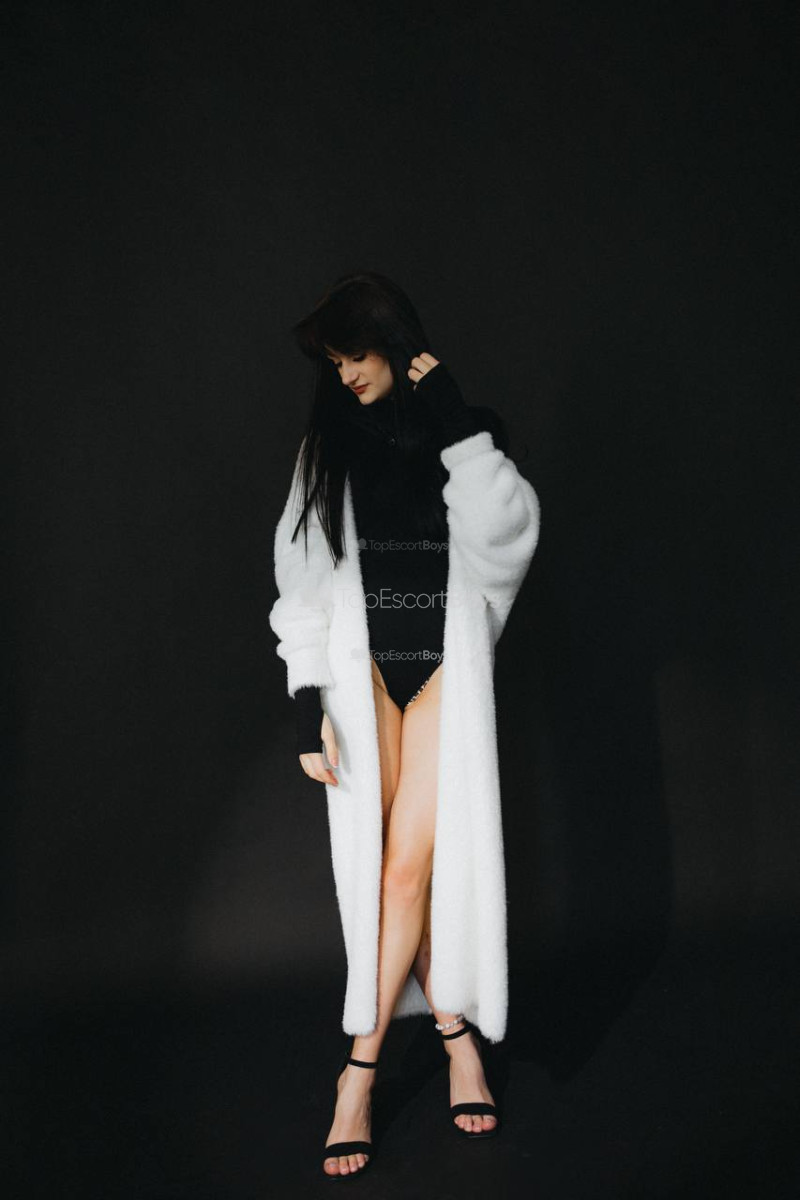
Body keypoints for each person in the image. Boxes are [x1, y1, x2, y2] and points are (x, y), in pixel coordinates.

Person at [268, 271, 541, 1178]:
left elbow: (506, 537)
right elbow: (302, 578)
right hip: (364, 678)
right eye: (335, 360)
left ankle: (359, 1070)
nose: (347, 373)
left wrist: (455, 419)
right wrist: (309, 704)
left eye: (358, 353)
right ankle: (456, 1036)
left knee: (403, 870)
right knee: (389, 874)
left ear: (393, 341)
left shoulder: (462, 430)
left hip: (442, 673)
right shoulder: (326, 449)